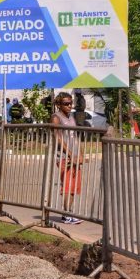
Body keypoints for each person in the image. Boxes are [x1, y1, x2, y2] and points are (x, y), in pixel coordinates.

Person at [51, 91, 83, 225]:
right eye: (66, 104)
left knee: (74, 187)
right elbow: (57, 137)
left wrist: (80, 153)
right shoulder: (56, 117)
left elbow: (75, 137)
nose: (70, 106)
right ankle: (66, 215)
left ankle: (69, 212)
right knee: (68, 186)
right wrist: (70, 154)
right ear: (59, 104)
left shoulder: (71, 117)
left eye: (71, 103)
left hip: (74, 157)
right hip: (64, 157)